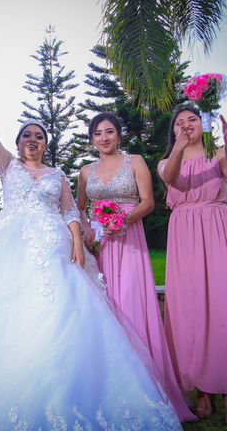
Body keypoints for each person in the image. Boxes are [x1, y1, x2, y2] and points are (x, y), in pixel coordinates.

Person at [0, 87, 182, 431]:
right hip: (8, 247)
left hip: (54, 245)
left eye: (39, 136)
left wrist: (78, 245)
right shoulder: (8, 165)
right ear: (19, 142)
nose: (32, 140)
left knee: (60, 308)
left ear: (45, 144)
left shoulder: (58, 175)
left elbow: (69, 211)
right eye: (27, 136)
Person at [77, 112, 195, 422]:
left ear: (119, 135)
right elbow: (77, 208)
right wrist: (89, 231)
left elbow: (148, 202)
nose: (104, 138)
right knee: (104, 309)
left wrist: (123, 219)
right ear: (91, 140)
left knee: (130, 306)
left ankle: (150, 390)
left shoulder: (136, 161)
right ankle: (110, 390)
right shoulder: (86, 171)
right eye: (98, 133)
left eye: (110, 132)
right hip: (99, 248)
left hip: (129, 241)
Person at [159, 106, 227, 428]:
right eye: (179, 122)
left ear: (204, 123)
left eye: (191, 119)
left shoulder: (219, 152)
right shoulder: (167, 160)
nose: (186, 125)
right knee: (190, 312)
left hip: (218, 229)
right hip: (184, 236)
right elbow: (170, 179)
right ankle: (202, 393)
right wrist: (179, 144)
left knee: (223, 308)